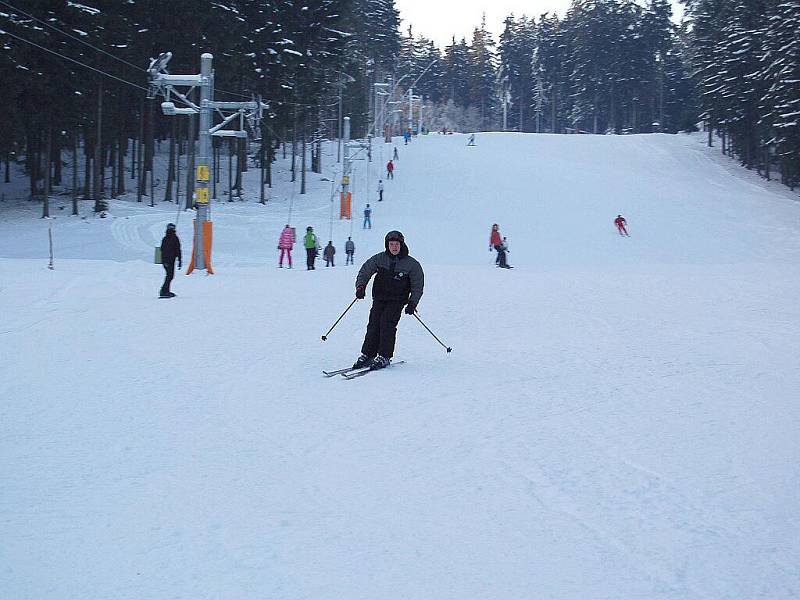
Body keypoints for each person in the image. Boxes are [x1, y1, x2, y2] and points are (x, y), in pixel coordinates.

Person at [352, 230, 424, 370]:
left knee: (387, 323)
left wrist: (413, 302)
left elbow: (417, 284)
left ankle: (384, 356)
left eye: (397, 244)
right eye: (391, 244)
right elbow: (366, 270)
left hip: (397, 300)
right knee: (374, 323)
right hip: (380, 297)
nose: (394, 247)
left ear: (401, 245)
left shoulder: (411, 264)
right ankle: (368, 354)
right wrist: (361, 286)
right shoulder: (379, 259)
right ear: (387, 245)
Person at [159, 223, 182, 298]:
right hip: (171, 260)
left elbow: (162, 249)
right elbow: (178, 249)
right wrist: (179, 260)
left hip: (166, 260)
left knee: (169, 275)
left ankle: (166, 290)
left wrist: (164, 260)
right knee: (170, 276)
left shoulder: (165, 238)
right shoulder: (175, 238)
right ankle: (164, 291)